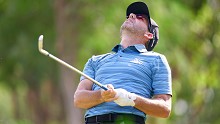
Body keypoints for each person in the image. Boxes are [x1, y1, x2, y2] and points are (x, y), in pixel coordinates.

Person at [74, 1, 172, 124]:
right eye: (130, 15)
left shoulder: (157, 60)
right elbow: (79, 99)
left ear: (149, 35)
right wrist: (102, 96)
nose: (131, 15)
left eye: (140, 17)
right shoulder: (95, 60)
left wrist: (131, 99)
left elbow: (165, 109)